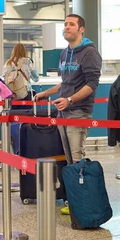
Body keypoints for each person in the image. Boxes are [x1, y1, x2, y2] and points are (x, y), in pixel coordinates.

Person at [34, 14, 102, 214]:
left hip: (78, 112)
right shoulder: (65, 53)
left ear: (81, 29)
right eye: (65, 24)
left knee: (77, 157)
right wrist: (46, 93)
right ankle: (73, 200)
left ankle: (82, 202)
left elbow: (92, 84)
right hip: (63, 112)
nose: (67, 27)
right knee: (69, 158)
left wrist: (71, 100)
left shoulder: (90, 53)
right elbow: (66, 82)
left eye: (71, 24)